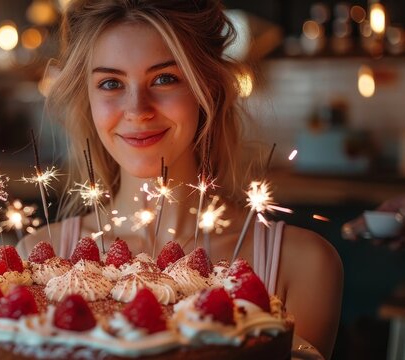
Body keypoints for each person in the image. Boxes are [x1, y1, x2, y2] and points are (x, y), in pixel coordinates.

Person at [17, 1, 343, 358]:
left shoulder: (303, 264)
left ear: (209, 89)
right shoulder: (33, 257)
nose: (138, 109)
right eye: (111, 83)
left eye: (165, 78)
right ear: (87, 98)